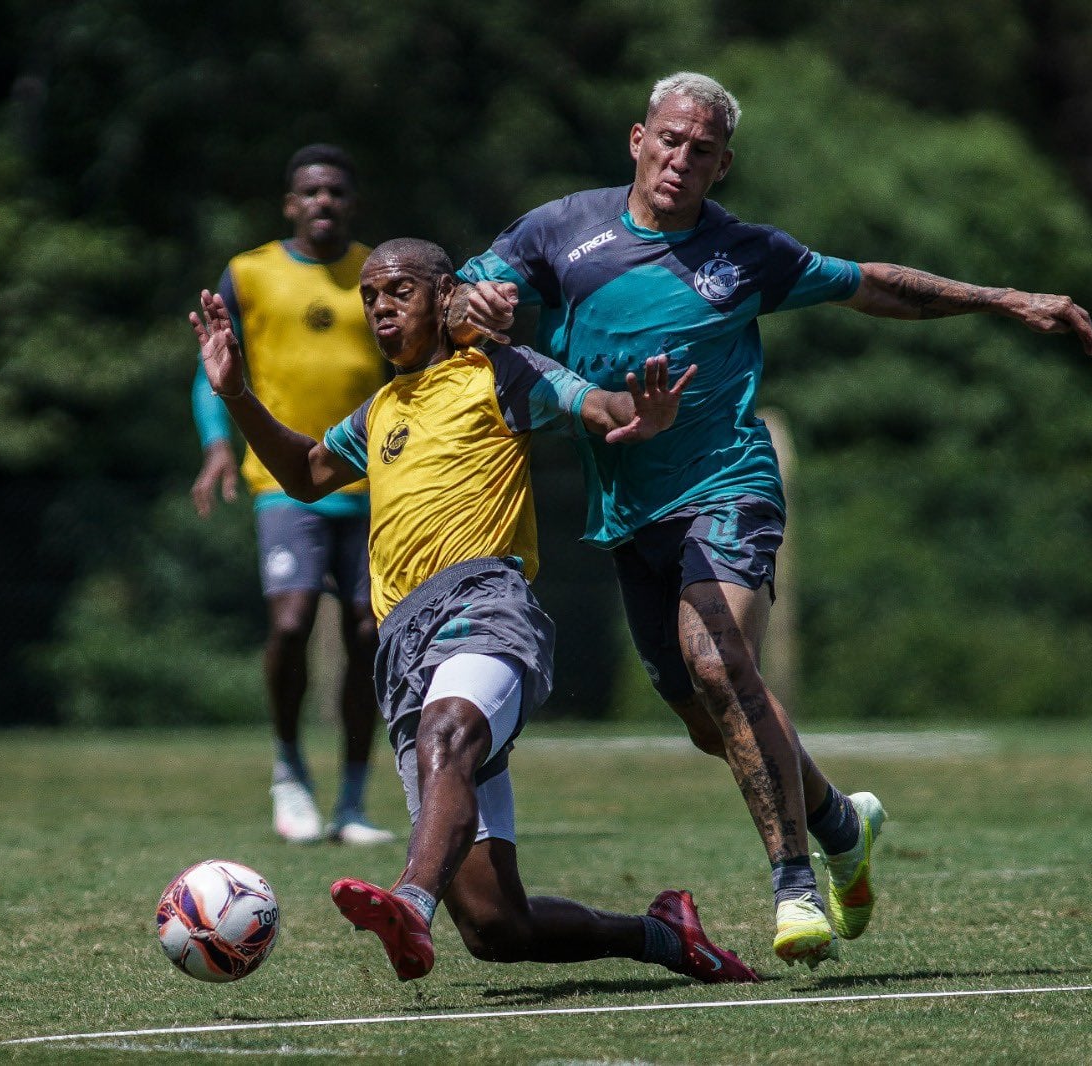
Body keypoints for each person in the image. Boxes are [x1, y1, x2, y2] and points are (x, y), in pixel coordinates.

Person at [452, 71, 1092, 967]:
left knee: (720, 661)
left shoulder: (746, 254)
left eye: (704, 151)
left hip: (729, 486)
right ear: (637, 139)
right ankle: (841, 820)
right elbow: (454, 298)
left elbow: (871, 284)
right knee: (701, 717)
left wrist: (1003, 299)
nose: (682, 160)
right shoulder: (559, 229)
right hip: (629, 513)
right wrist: (473, 304)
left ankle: (796, 890)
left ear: (725, 166)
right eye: (670, 141)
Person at [193, 237, 757, 985]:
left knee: (447, 727)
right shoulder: (380, 411)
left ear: (445, 294)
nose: (381, 310)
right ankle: (662, 936)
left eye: (398, 291)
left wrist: (637, 413)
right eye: (369, 298)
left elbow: (592, 403)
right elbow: (302, 474)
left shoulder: (500, 374)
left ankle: (410, 902)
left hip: (484, 603)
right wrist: (236, 395)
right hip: (403, 647)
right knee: (496, 927)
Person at [189, 144, 393, 845]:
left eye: (335, 191)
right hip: (282, 485)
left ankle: (355, 799)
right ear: (289, 203)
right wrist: (218, 444)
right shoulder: (250, 274)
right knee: (289, 624)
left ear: (352, 202)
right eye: (310, 192)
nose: (323, 203)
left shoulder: (378, 274)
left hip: (371, 485)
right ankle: (288, 770)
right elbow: (211, 367)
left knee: (371, 634)